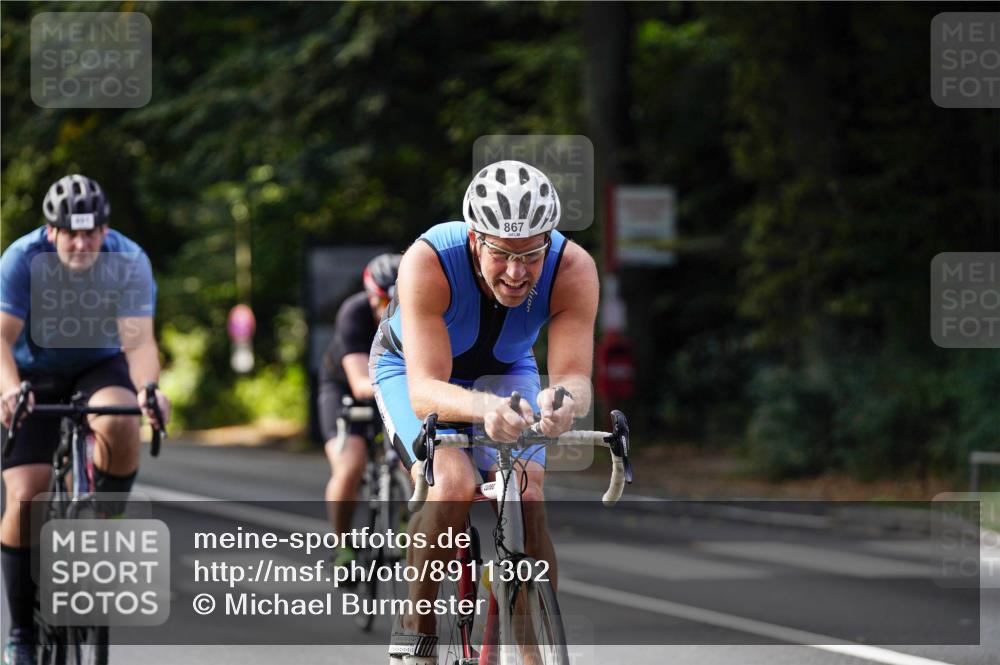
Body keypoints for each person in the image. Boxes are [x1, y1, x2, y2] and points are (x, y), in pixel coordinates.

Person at [370, 160, 599, 664]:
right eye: (501, 254)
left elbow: (573, 378)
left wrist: (564, 402)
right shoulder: (428, 260)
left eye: (532, 254)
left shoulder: (573, 268)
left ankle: (533, 652)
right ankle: (418, 627)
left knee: (527, 491)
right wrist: (485, 409)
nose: (517, 273)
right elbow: (426, 389)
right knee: (450, 483)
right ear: (475, 239)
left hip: (507, 367)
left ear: (550, 241)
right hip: (413, 369)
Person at [0, 175, 171, 665]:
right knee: (26, 495)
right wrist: (10, 390)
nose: (81, 243)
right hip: (30, 373)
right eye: (70, 233)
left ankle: (105, 521)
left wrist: (149, 392)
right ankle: (23, 634)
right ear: (50, 231)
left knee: (120, 422)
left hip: (96, 365)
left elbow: (138, 342)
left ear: (105, 229)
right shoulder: (21, 260)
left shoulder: (129, 259)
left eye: (90, 232)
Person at [319, 253, 400, 569]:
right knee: (350, 465)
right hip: (345, 390)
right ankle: (342, 546)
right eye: (385, 301)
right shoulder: (353, 312)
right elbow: (360, 383)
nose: (391, 310)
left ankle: (409, 523)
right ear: (371, 297)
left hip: (395, 388)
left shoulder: (422, 307)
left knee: (418, 463)